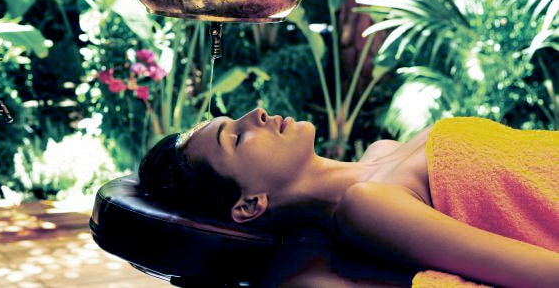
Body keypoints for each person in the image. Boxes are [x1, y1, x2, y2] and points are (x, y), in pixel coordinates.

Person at [139, 107, 559, 287]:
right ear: (250, 204)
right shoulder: (368, 206)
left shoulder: (382, 151)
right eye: (235, 138)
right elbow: (542, 273)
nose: (257, 114)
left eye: (238, 117)